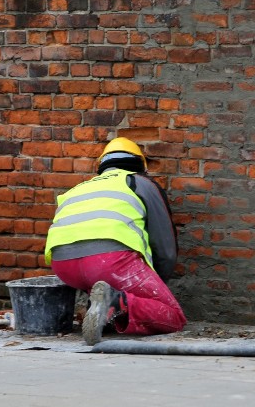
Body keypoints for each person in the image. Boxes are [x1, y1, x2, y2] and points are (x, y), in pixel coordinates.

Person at [44, 137, 186, 345]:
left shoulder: (78, 188)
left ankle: (102, 307)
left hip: (63, 265)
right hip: (110, 262)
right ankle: (116, 303)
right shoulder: (140, 183)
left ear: (102, 165)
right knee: (174, 316)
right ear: (141, 165)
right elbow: (165, 247)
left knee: (102, 277)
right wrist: (155, 283)